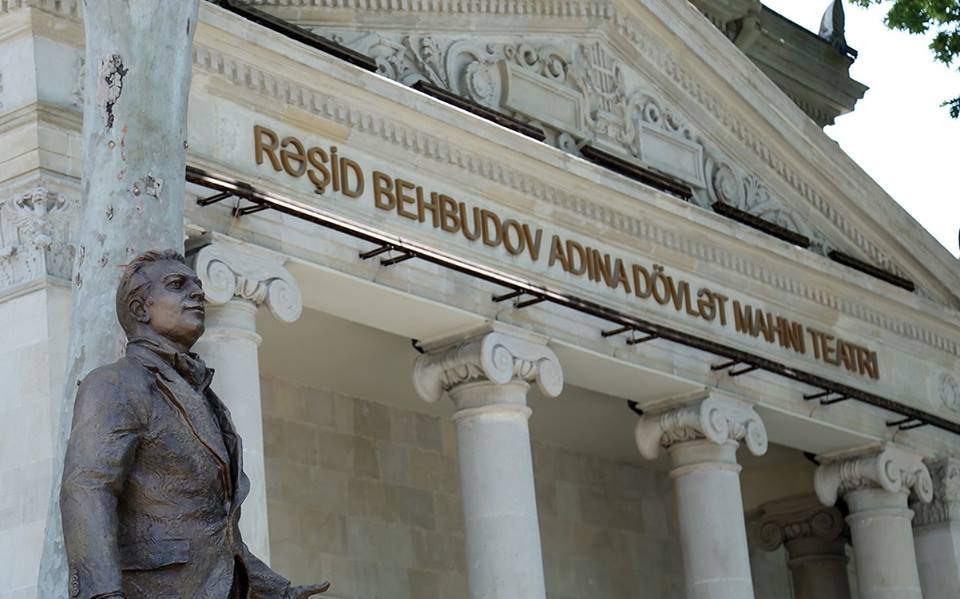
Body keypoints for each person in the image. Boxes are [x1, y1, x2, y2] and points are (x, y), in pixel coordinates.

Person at [60, 249, 329, 599]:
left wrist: (276, 591)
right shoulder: (115, 384)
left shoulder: (203, 395)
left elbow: (215, 528)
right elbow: (87, 490)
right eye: (177, 284)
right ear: (140, 309)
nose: (197, 293)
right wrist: (101, 594)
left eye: (198, 286)